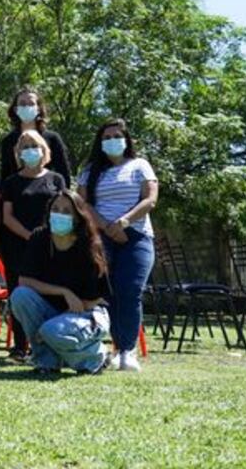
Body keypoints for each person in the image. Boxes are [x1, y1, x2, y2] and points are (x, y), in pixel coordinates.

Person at [77, 119, 158, 372]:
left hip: (136, 236)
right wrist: (105, 226)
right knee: (109, 293)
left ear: (126, 140)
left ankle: (127, 350)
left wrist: (123, 222)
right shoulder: (91, 170)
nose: (112, 141)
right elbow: (81, 203)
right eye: (107, 137)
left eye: (117, 136)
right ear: (100, 143)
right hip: (102, 237)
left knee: (131, 290)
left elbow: (150, 199)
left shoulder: (139, 165)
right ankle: (115, 346)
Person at [9, 191, 111, 374]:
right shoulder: (39, 237)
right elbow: (24, 280)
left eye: (66, 211)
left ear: (77, 217)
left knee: (52, 330)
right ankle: (47, 362)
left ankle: (97, 356)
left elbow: (97, 297)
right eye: (55, 209)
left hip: (88, 312)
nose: (59, 214)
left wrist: (48, 329)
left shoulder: (89, 245)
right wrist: (64, 292)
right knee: (20, 295)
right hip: (53, 312)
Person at [0, 130, 67, 361]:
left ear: (44, 150)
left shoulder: (56, 179)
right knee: (18, 293)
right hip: (18, 246)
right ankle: (20, 346)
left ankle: (49, 341)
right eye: (24, 146)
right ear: (18, 153)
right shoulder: (11, 182)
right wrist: (30, 236)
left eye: (34, 145)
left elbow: (64, 209)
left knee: (48, 292)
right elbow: (7, 217)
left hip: (52, 246)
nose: (29, 150)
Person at [0, 87, 72, 187]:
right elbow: (5, 175)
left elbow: (64, 173)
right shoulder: (8, 141)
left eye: (31, 103)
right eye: (22, 104)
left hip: (48, 195)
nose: (27, 106)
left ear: (38, 108)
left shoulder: (52, 138)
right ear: (15, 109)